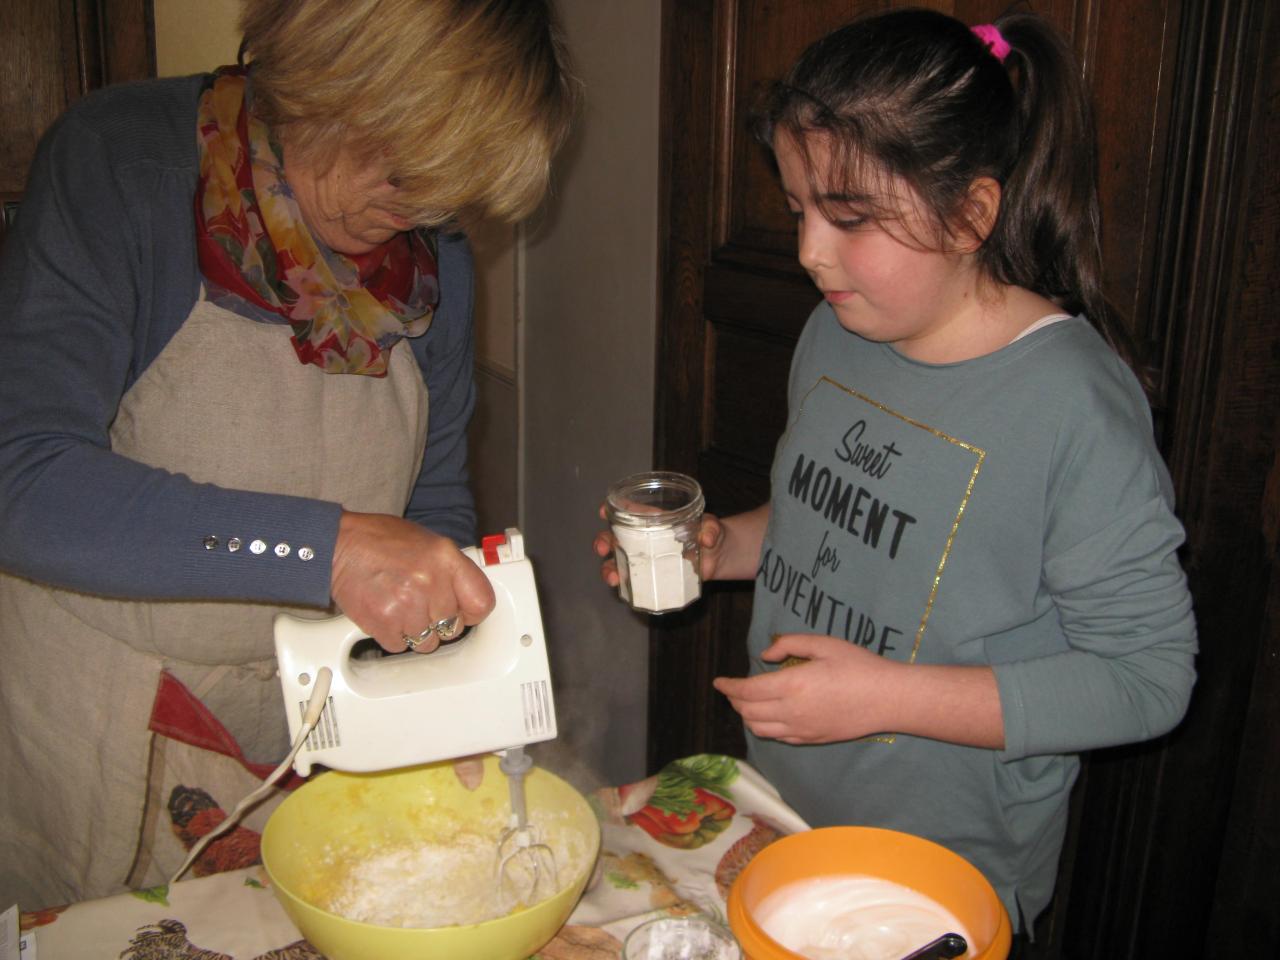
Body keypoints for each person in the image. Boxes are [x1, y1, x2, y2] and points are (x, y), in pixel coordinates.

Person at [594, 8, 1196, 945]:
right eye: (798, 210)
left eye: (850, 217)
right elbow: (817, 525)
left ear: (972, 214)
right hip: (783, 808)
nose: (808, 252)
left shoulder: (1072, 406)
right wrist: (721, 549)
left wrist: (886, 698)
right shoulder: (841, 327)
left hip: (941, 874)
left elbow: (1150, 679)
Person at [0, 0, 575, 907]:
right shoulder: (123, 165)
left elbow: (431, 496)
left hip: (308, 718)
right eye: (409, 171)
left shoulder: (433, 253)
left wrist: (444, 671)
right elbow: (21, 479)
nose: (425, 212)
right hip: (104, 722)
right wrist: (330, 548)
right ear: (331, 84)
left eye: (449, 192)